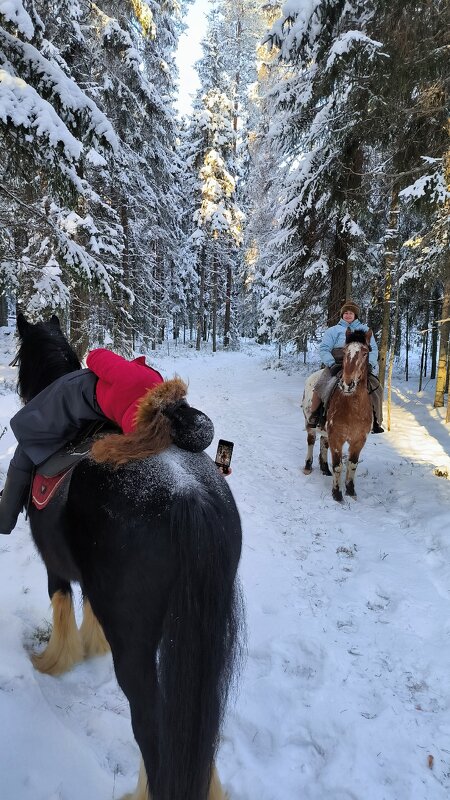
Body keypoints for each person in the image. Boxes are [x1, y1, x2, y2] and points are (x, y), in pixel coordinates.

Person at [0, 348, 215, 535]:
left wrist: (121, 370)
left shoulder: (152, 379)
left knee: (29, 439)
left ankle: (5, 517)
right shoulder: (151, 434)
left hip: (74, 397)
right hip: (106, 414)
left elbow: (95, 356)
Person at [307, 301, 384, 433]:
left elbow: (373, 350)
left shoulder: (365, 330)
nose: (348, 315)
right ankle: (315, 416)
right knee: (321, 385)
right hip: (337, 362)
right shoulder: (333, 331)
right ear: (342, 315)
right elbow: (324, 349)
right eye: (346, 313)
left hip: (360, 363)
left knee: (376, 387)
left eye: (351, 313)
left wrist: (370, 364)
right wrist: (331, 364)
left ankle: (376, 420)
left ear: (356, 315)